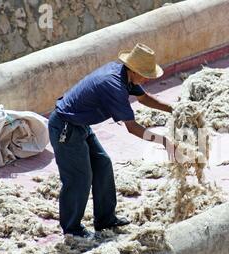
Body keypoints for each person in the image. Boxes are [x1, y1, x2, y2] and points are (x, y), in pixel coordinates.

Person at [48, 43, 174, 238]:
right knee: (79, 178)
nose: (146, 79)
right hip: (66, 128)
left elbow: (144, 98)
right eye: (144, 74)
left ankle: (105, 219)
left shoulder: (126, 75)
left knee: (103, 164)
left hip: (81, 125)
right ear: (133, 69)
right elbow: (132, 128)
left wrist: (174, 109)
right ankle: (72, 229)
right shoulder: (114, 85)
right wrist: (165, 141)